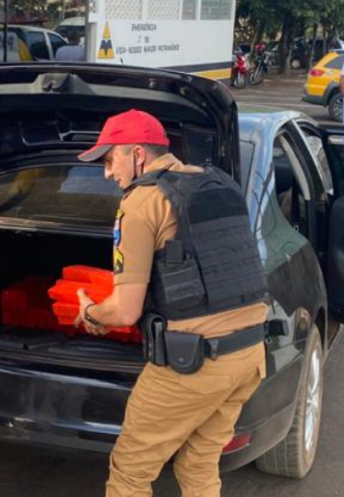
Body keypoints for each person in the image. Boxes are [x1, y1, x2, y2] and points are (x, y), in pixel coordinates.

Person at [73, 109, 268, 497]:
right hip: (249, 354)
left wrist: (89, 312)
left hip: (194, 364)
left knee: (130, 472)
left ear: (137, 154)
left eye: (110, 160)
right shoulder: (219, 184)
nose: (108, 174)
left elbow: (126, 311)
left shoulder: (142, 201)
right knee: (199, 462)